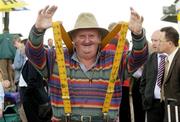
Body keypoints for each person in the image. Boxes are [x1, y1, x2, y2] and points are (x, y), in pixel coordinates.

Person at [25, 5, 148, 121]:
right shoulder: (56, 57)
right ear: (73, 39)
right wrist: (38, 30)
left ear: (100, 39)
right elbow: (33, 54)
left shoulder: (114, 59)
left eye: (92, 35)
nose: (87, 40)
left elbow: (139, 58)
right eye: (82, 36)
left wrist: (138, 35)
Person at [140, 30, 166, 122]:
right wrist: (145, 99)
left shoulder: (173, 58)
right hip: (152, 104)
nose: (153, 43)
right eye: (152, 40)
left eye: (156, 40)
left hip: (169, 104)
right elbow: (143, 82)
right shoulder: (149, 58)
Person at [158, 26, 180, 122]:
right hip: (168, 109)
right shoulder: (168, 59)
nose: (158, 44)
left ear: (170, 43)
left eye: (160, 41)